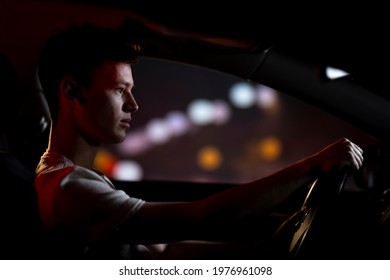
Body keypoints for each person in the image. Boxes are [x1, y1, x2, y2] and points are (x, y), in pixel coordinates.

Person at [33, 23, 364, 260]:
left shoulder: (71, 177)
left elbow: (163, 250)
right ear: (72, 91)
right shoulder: (70, 189)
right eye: (120, 90)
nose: (133, 104)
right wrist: (313, 165)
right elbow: (200, 217)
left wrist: (264, 250)